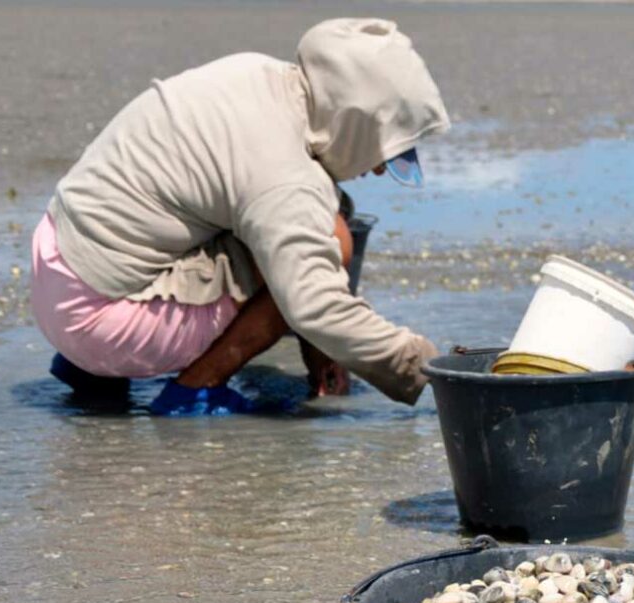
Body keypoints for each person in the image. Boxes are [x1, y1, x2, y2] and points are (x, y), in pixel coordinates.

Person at [30, 18, 451, 414]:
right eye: (388, 151)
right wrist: (429, 369)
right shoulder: (286, 177)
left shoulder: (257, 74)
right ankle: (195, 388)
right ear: (357, 122)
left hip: (57, 261)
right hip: (97, 317)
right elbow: (314, 306)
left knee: (302, 232)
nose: (378, 170)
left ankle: (88, 371)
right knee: (332, 242)